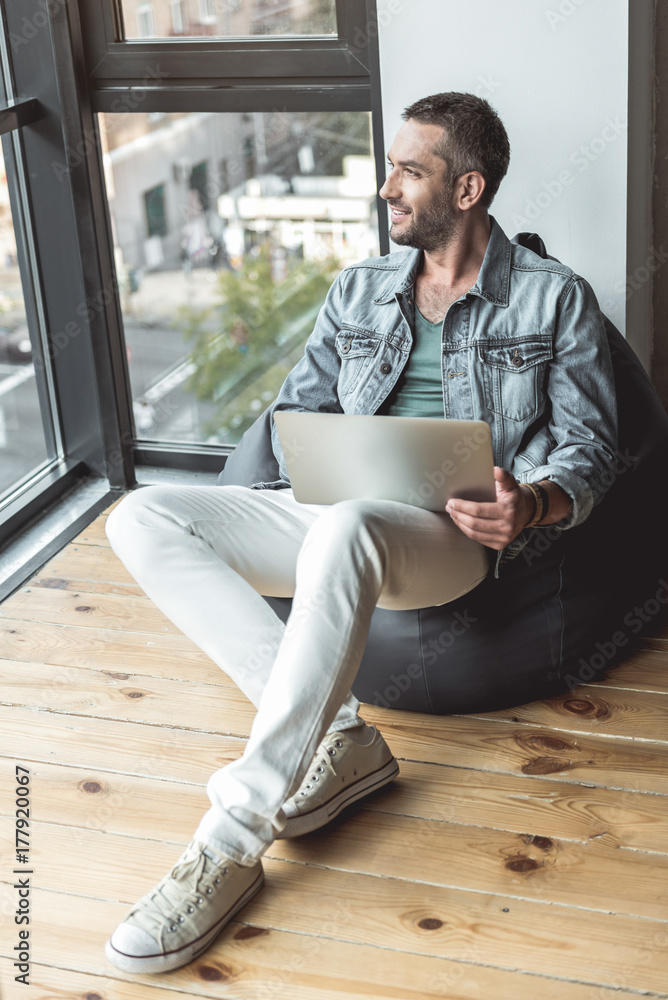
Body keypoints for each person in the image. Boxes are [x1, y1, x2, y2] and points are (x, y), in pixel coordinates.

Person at [104, 92, 617, 974]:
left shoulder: (553, 298)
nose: (387, 188)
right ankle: (341, 737)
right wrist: (306, 463)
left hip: (447, 538)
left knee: (345, 530)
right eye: (390, 168)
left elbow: (594, 446)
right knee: (140, 515)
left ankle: (229, 841)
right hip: (335, 507)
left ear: (467, 189)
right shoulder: (359, 288)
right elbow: (297, 413)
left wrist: (529, 503)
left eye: (409, 171)